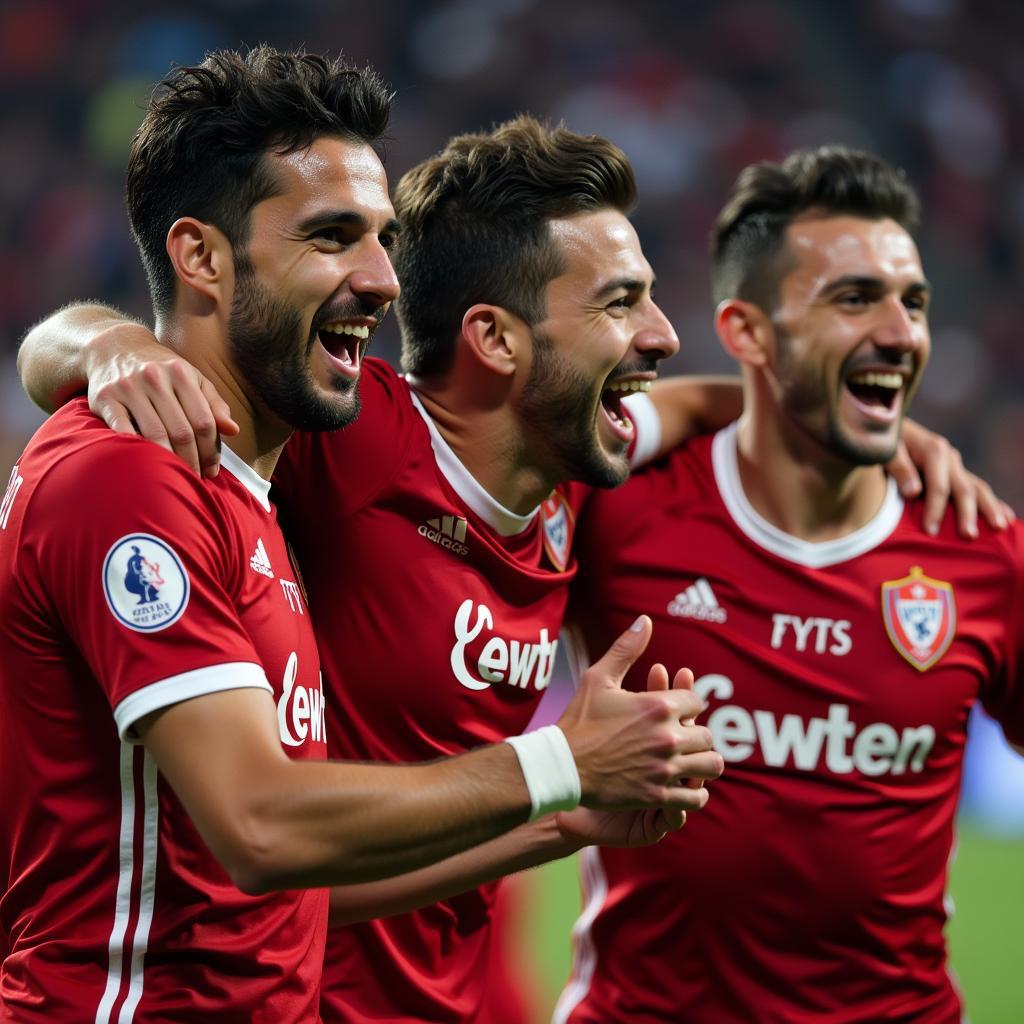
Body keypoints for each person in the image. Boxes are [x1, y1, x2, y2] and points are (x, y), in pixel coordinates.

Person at [16, 121, 1003, 1023]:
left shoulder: (574, 473)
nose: (661, 333)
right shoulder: (353, 437)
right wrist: (106, 342)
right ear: (494, 338)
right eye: (621, 303)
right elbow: (178, 361)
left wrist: (885, 431)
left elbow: (705, 406)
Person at [0, 49, 723, 1023]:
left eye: (381, 239)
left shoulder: (254, 488)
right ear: (202, 257)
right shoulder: (138, 472)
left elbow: (274, 896)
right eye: (333, 235)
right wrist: (100, 338)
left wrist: (567, 818)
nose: (383, 279)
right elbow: (260, 825)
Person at [556, 146, 1024, 1023]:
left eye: (913, 302)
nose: (901, 332)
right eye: (855, 299)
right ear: (747, 333)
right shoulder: (621, 509)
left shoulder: (981, 549)